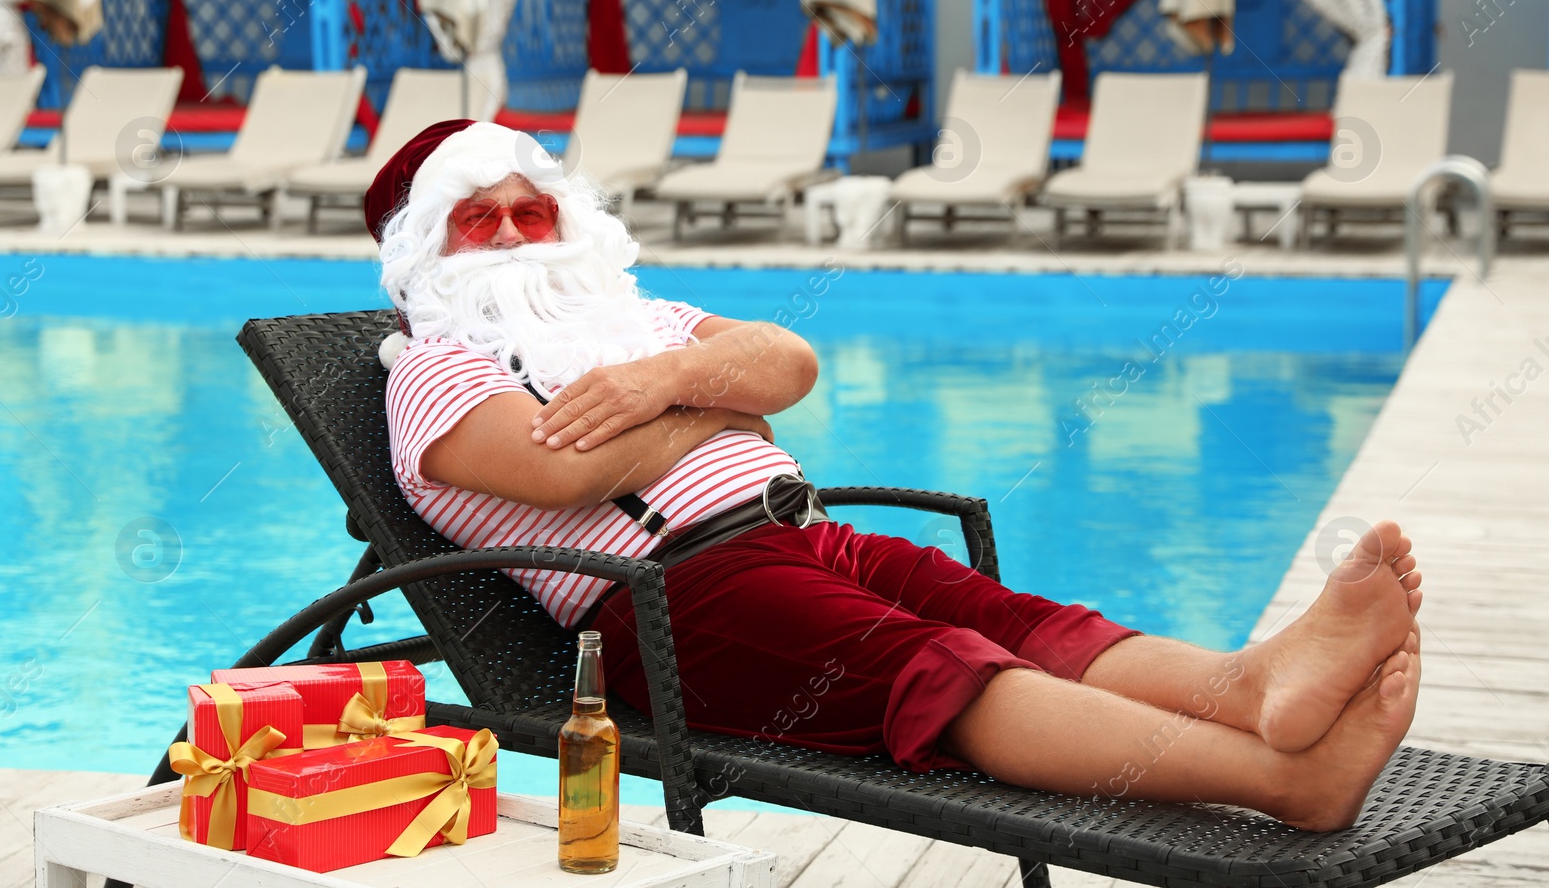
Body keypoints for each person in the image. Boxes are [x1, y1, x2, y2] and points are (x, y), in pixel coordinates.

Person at [367, 120, 1423, 833]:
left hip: (805, 535)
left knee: (1024, 621)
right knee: (942, 666)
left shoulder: (631, 325)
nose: (512, 235)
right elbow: (564, 470)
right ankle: (1288, 782)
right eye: (477, 217)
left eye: (531, 210)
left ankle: (1250, 687)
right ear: (427, 245)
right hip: (675, 598)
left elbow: (788, 362)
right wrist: (716, 405)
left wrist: (675, 378)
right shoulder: (432, 368)